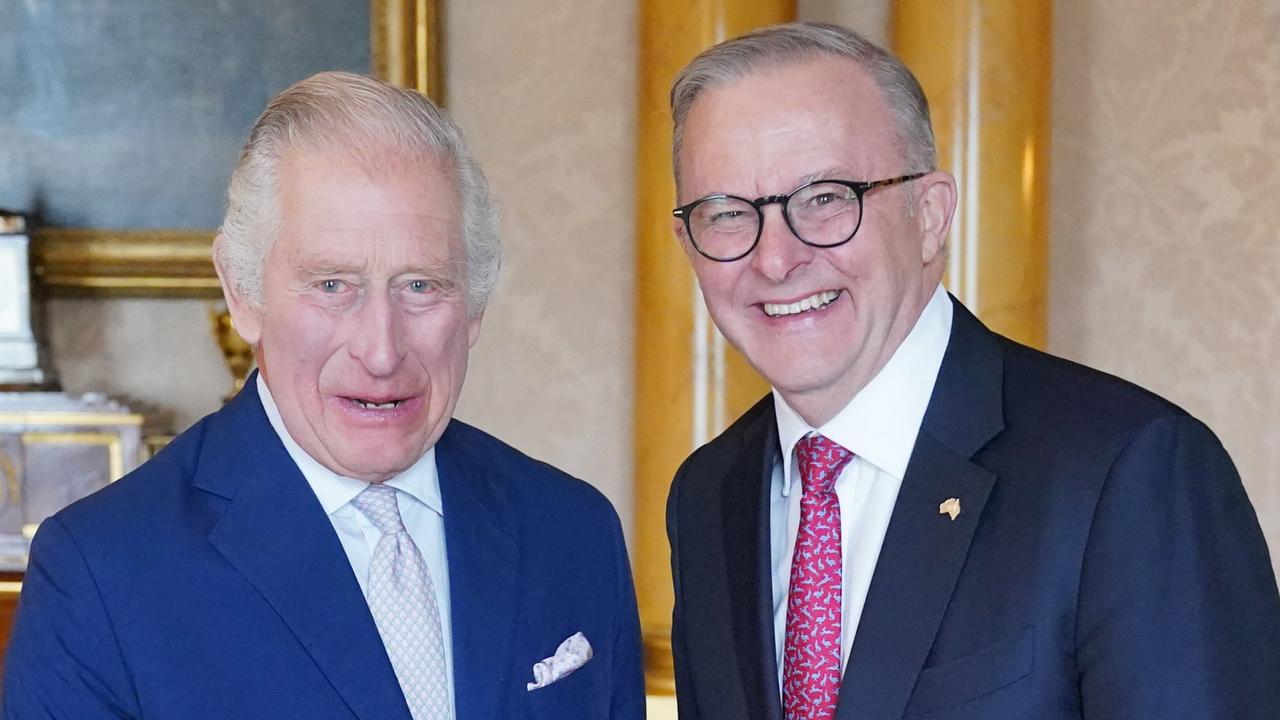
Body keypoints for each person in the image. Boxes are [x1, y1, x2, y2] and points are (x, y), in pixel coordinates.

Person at [664, 22, 1280, 720]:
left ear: (929, 217)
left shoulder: (1127, 471)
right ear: (687, 242)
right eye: (726, 213)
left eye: (827, 198)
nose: (775, 258)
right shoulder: (708, 494)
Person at [4, 72, 645, 720]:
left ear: (475, 300)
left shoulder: (573, 531)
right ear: (241, 292)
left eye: (422, 285)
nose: (381, 349)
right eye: (333, 285)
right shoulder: (101, 573)